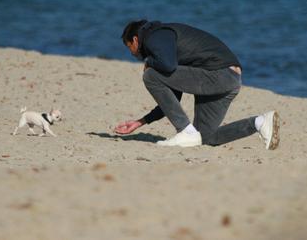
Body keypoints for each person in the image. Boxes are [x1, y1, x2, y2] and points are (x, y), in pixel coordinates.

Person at [114, 20, 280, 149]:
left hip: (218, 75)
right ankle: (260, 122)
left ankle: (185, 131)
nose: (132, 53)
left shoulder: (155, 36)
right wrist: (141, 122)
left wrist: (149, 62)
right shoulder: (164, 45)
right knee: (205, 137)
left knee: (150, 75)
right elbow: (172, 97)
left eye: (130, 48)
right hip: (228, 79)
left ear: (135, 39)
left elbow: (168, 66)